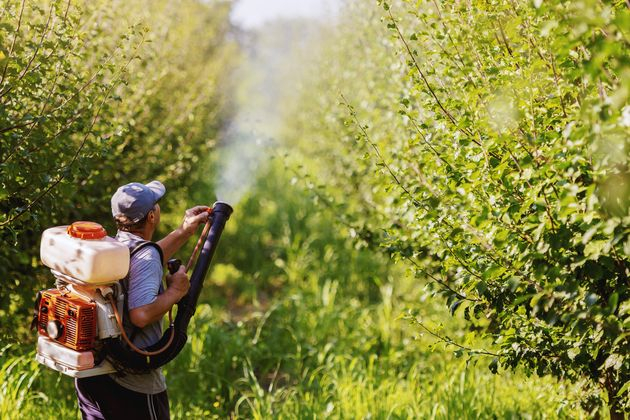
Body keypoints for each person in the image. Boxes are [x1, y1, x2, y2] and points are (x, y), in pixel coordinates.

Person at [75, 180, 209, 420]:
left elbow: (145, 260)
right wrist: (176, 292)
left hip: (94, 374)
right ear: (151, 217)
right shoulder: (144, 257)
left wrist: (185, 231)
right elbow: (141, 315)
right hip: (131, 384)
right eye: (156, 205)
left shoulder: (114, 246)